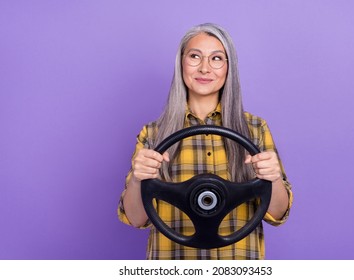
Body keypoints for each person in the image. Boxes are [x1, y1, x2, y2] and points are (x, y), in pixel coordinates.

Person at [118, 23, 293, 260]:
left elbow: (278, 212)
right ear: (181, 63)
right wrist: (139, 179)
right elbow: (136, 218)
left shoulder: (255, 130)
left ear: (229, 68)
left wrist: (272, 178)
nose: (204, 68)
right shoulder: (153, 134)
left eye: (217, 58)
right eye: (194, 56)